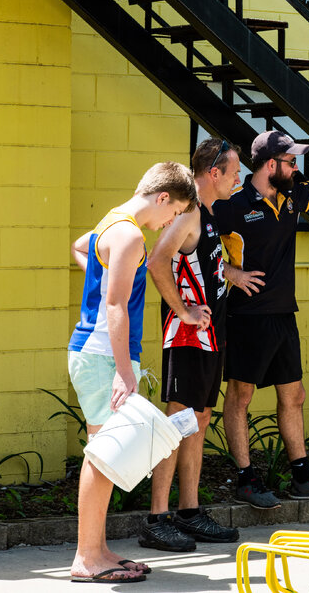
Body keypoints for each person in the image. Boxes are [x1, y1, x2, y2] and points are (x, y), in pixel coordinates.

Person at [213, 125, 309, 509]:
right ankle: (247, 479)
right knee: (241, 394)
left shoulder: (291, 197)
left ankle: (302, 476)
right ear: (269, 164)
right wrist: (231, 273)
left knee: (294, 395)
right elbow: (194, 245)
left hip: (283, 314)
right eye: (290, 161)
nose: (297, 167)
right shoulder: (232, 203)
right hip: (247, 315)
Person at [67, 162, 197, 583]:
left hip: (98, 352)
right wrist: (125, 372)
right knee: (104, 456)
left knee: (103, 451)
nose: (170, 223)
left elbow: (81, 247)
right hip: (105, 355)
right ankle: (87, 558)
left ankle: (97, 550)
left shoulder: (113, 223)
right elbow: (115, 306)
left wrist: (105, 273)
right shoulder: (129, 235)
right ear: (163, 198)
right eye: (173, 212)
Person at [139, 139, 262, 550]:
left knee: (200, 419)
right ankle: (156, 519)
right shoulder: (188, 209)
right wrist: (184, 310)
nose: (238, 178)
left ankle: (188, 511)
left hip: (212, 333)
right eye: (234, 172)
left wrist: (231, 272)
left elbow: (199, 259)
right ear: (214, 173)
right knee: (177, 421)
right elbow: (157, 260)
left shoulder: (204, 212)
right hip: (189, 335)